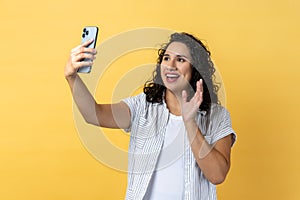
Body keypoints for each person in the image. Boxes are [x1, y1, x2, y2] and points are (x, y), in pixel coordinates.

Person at [64, 32, 236, 200]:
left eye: (181, 60)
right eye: (166, 58)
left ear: (196, 69)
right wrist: (72, 77)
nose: (170, 65)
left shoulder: (217, 117)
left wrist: (190, 122)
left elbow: (217, 175)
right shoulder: (142, 106)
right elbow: (94, 114)